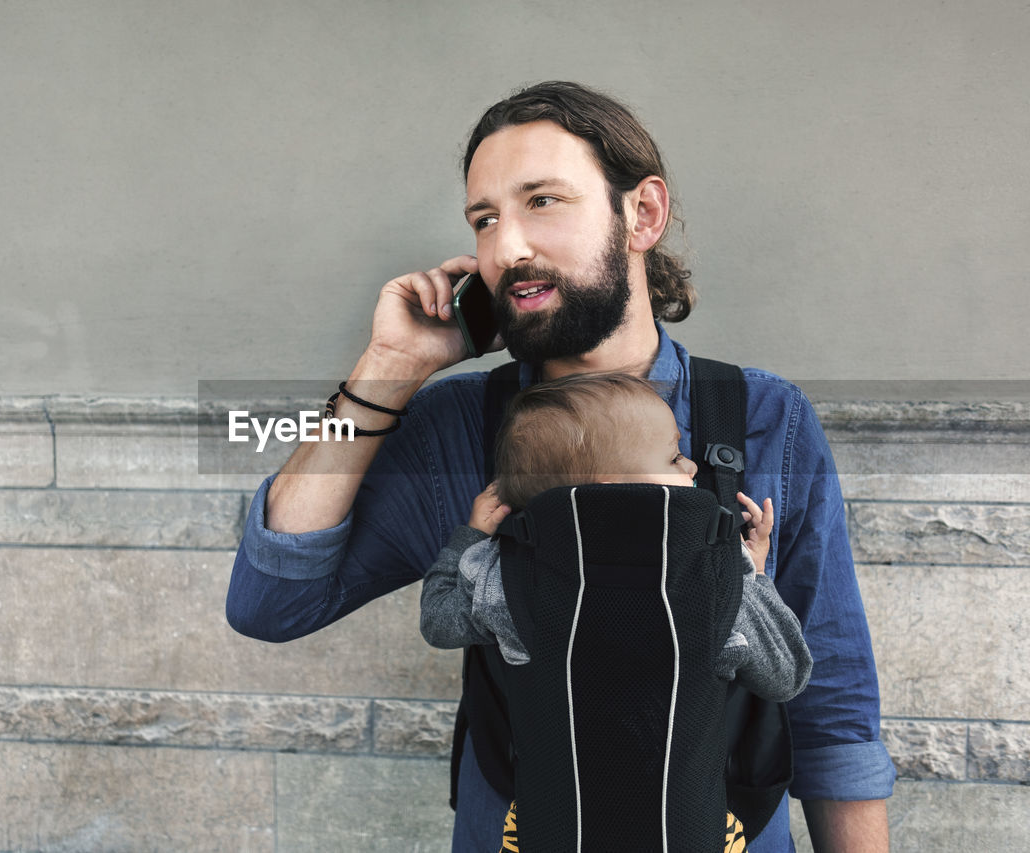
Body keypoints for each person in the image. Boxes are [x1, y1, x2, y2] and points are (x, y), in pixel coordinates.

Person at [226, 81, 894, 852]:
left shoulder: (765, 417)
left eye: (541, 201)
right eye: (485, 219)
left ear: (641, 213)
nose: (507, 246)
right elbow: (270, 604)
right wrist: (387, 369)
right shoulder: (459, 428)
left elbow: (833, 711)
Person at [419, 372, 813, 849]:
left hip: (556, 832)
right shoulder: (715, 579)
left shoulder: (506, 576)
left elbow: (438, 620)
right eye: (673, 456)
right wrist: (752, 573)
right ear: (611, 488)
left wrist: (472, 537)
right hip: (685, 833)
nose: (691, 467)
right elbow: (786, 676)